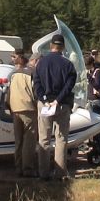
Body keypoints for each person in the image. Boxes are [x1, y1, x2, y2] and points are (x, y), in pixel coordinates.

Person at [33, 34, 77, 180]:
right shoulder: (68, 64)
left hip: (44, 105)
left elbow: (37, 84)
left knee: (44, 139)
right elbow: (69, 86)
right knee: (61, 139)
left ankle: (43, 173)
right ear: (63, 47)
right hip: (62, 104)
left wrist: (45, 100)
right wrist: (57, 100)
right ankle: (59, 174)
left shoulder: (41, 63)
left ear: (50, 45)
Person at [8, 49, 38, 177]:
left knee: (18, 140)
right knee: (29, 141)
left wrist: (9, 107)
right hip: (28, 109)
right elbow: (35, 93)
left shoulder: (12, 74)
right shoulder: (31, 73)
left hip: (15, 109)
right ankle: (28, 169)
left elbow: (7, 93)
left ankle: (18, 167)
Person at [85, 54, 100, 158]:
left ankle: (99, 147)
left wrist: (89, 78)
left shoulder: (97, 72)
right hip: (89, 100)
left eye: (87, 65)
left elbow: (97, 85)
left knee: (96, 126)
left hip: (96, 101)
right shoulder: (89, 72)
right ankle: (92, 145)